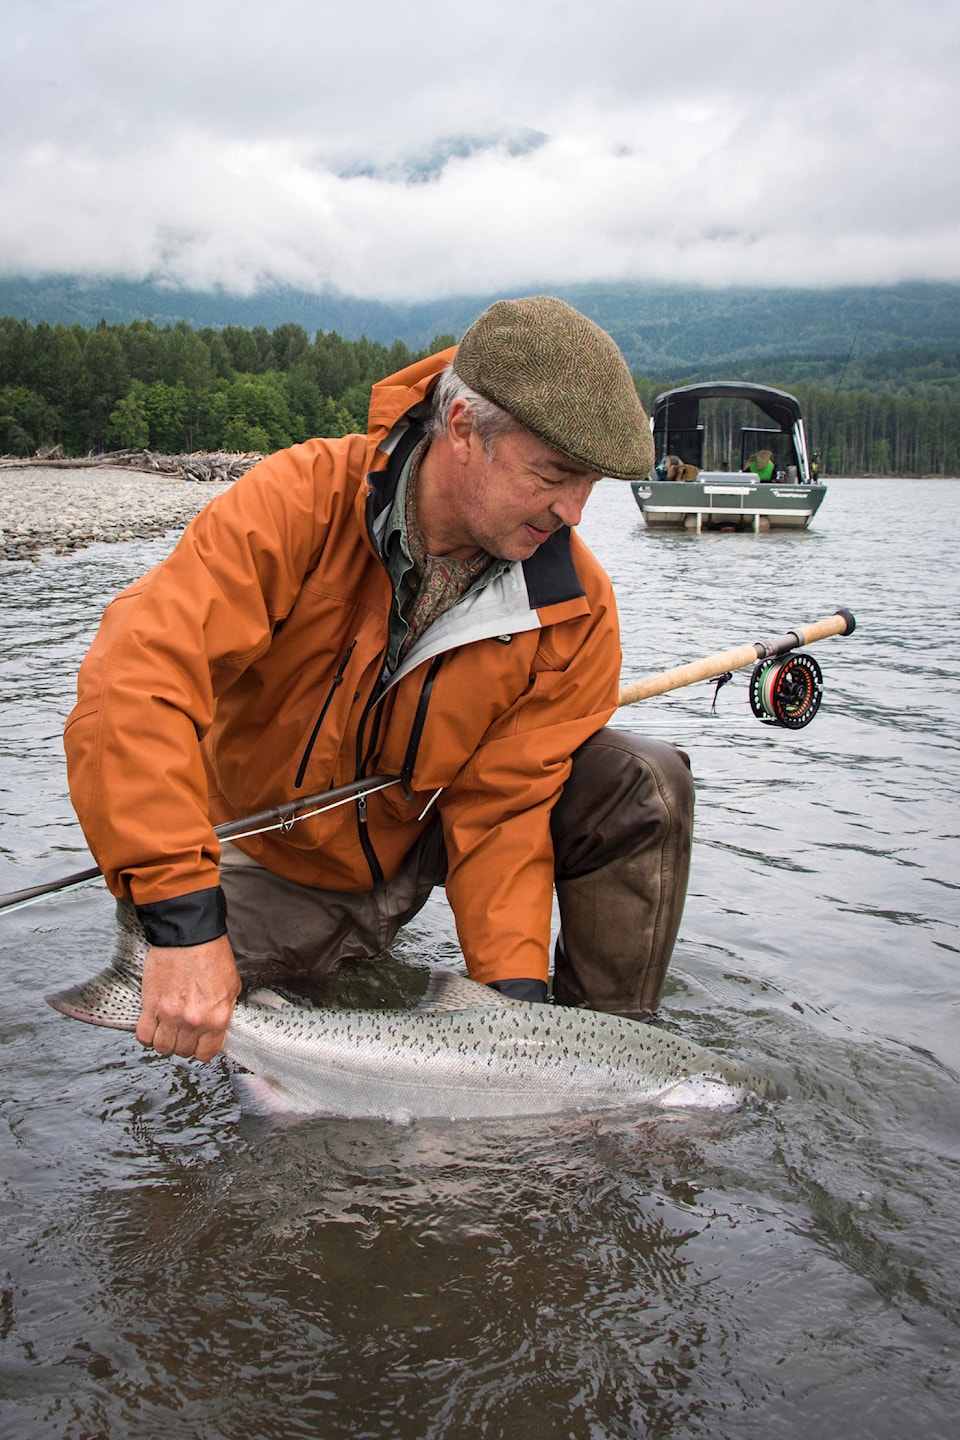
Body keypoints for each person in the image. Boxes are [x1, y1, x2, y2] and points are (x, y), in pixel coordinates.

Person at [65, 296, 694, 1064]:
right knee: (182, 1019)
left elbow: (505, 807)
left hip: (422, 831)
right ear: (463, 431)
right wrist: (180, 916)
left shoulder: (574, 607)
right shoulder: (300, 502)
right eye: (554, 475)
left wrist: (514, 1018)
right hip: (274, 852)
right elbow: (136, 680)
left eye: (590, 483)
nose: (574, 513)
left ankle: (607, 1059)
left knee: (640, 780)